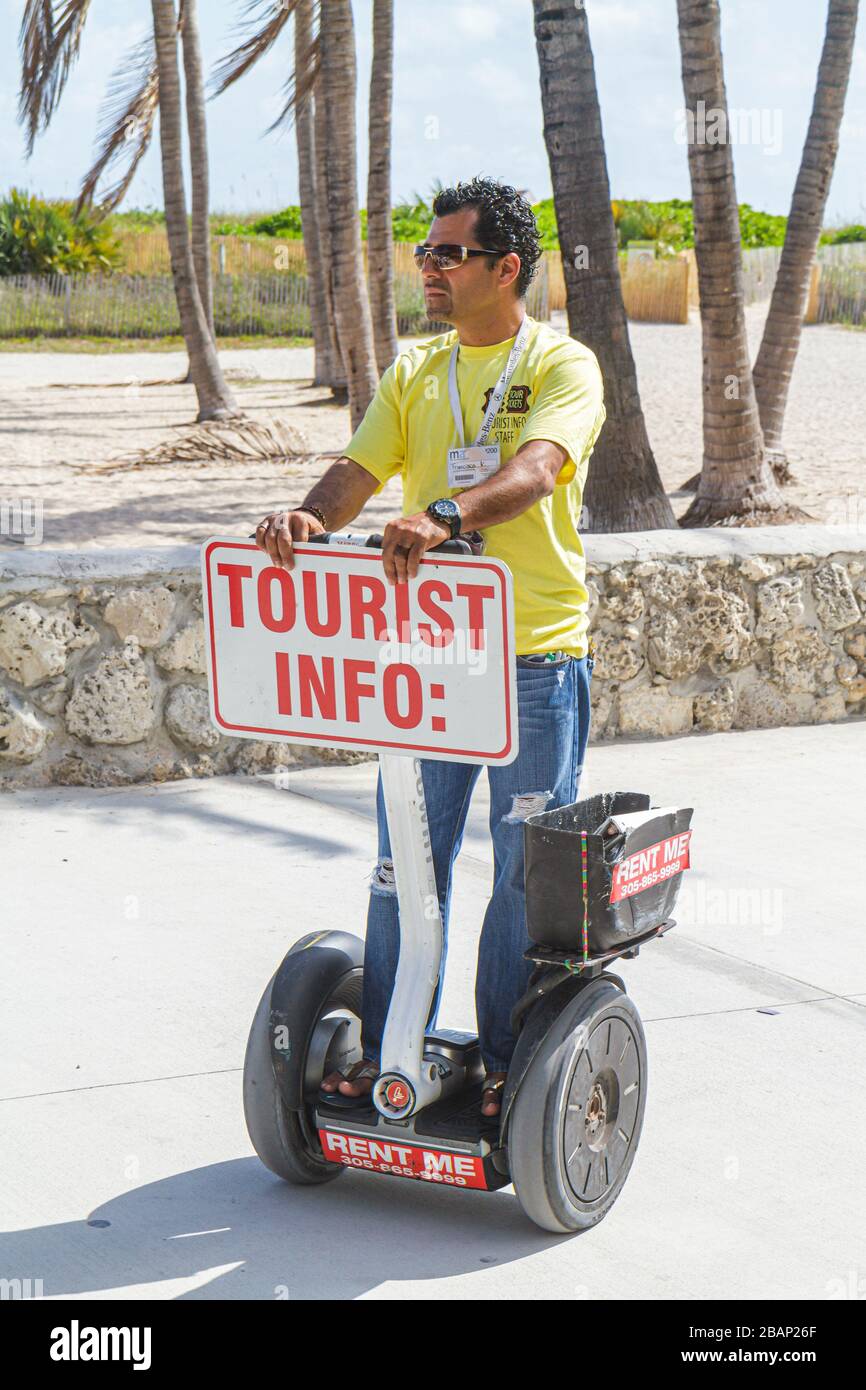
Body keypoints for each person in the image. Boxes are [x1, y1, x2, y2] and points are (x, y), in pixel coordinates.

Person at [255, 177, 604, 1118]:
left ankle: (503, 1067)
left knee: (523, 871)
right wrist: (308, 516)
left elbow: (536, 469)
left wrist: (446, 513)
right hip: (427, 661)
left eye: (449, 255)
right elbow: (358, 470)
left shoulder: (564, 364)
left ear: (506, 269)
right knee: (403, 858)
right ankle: (382, 1048)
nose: (431, 269)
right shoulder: (416, 369)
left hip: (532, 660)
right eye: (427, 254)